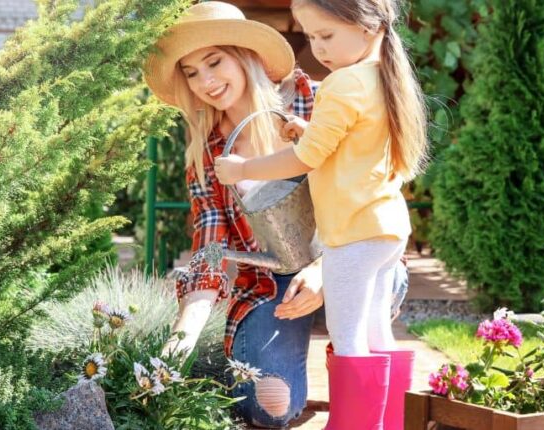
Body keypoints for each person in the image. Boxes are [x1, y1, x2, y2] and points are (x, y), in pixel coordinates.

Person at [214, 0, 428, 428]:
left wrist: (243, 169)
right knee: (375, 333)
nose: (318, 48)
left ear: (368, 28)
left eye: (326, 35)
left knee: (348, 339)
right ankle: (388, 423)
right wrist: (306, 127)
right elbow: (349, 146)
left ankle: (352, 425)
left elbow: (305, 159)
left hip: (352, 234)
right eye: (311, 37)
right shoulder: (380, 77)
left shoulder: (342, 83)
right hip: (386, 229)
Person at [143, 2, 324, 427]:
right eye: (190, 72)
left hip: (348, 256)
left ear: (243, 56)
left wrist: (327, 270)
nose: (205, 81)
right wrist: (180, 341)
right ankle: (288, 359)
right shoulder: (207, 152)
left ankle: (350, 371)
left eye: (214, 61)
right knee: (270, 406)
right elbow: (210, 249)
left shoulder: (310, 101)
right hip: (273, 279)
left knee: (377, 290)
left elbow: (367, 193)